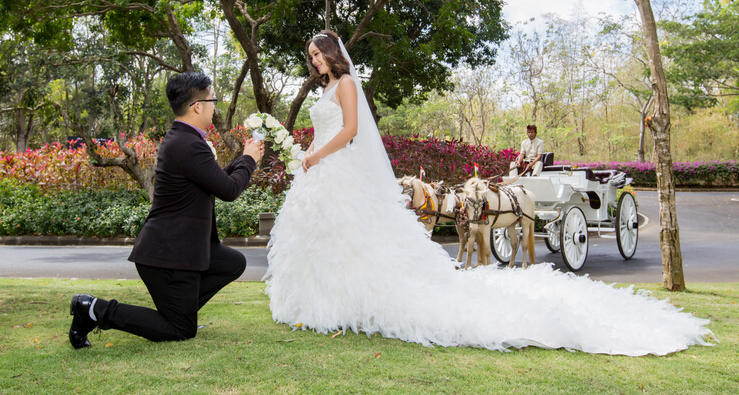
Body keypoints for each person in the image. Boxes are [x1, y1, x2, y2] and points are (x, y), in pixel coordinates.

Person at [264, 30, 711, 356]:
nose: (316, 60)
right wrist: (309, 154)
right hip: (320, 171)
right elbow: (328, 129)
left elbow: (352, 129)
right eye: (310, 55)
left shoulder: (345, 85)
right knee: (324, 238)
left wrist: (316, 155)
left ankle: (353, 302)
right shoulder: (322, 88)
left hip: (333, 166)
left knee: (354, 238)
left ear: (333, 54)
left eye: (319, 53)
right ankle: (322, 303)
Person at [68, 72, 264, 348]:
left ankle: (180, 311)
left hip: (184, 250)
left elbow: (217, 180)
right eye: (212, 100)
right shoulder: (187, 144)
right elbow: (229, 191)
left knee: (232, 262)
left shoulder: (184, 139)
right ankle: (93, 308)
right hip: (168, 255)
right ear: (198, 106)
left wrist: (244, 158)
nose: (214, 107)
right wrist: (249, 160)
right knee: (180, 329)